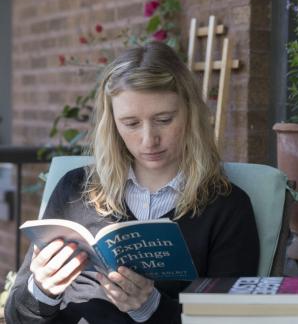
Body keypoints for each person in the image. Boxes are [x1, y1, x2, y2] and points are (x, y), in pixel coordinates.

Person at [6, 41, 260, 323]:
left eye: (164, 119)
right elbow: (17, 314)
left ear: (190, 114)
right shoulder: (75, 189)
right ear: (112, 123)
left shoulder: (227, 207)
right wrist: (41, 291)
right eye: (131, 123)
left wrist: (150, 308)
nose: (149, 139)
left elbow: (231, 319)